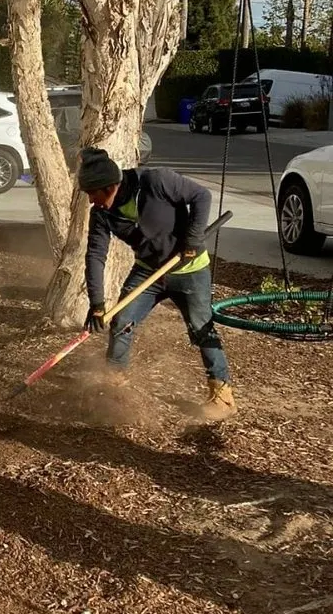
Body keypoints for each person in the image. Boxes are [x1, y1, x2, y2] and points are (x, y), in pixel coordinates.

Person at [78, 147, 236, 421]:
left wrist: (192, 239)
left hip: (190, 270)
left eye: (93, 193)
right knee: (121, 321)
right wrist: (97, 303)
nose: (92, 200)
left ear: (110, 186)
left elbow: (201, 196)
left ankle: (222, 396)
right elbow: (95, 255)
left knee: (202, 328)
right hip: (148, 271)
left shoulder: (156, 182)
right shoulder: (102, 214)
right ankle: (114, 387)